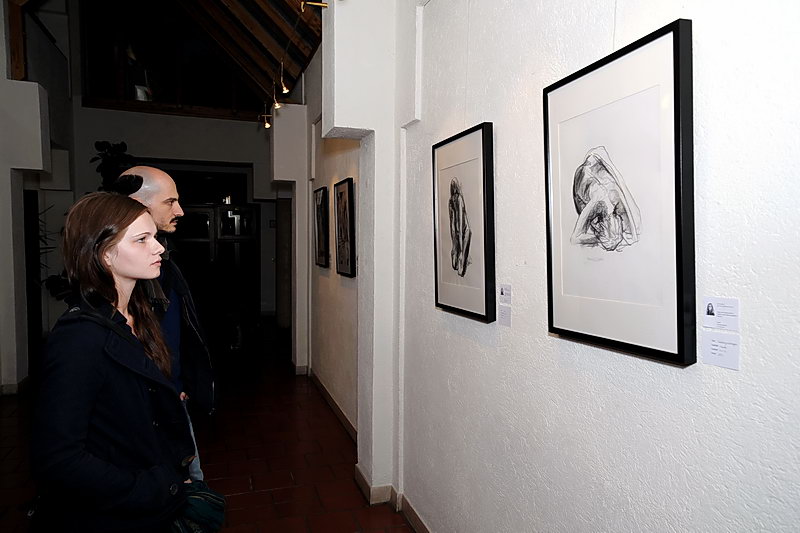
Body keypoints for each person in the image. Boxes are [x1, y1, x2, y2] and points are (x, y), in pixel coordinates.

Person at [31, 192, 196, 531]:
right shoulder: (79, 337)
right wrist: (152, 488)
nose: (159, 248)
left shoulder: (139, 313)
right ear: (105, 253)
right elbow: (60, 458)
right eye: (142, 239)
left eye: (155, 237)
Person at [111, 165, 214, 482]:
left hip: (170, 395)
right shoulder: (124, 277)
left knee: (190, 485)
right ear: (137, 205)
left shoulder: (162, 264)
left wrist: (179, 384)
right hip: (148, 407)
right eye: (170, 202)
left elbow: (172, 332)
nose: (180, 211)